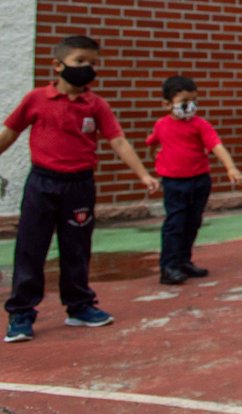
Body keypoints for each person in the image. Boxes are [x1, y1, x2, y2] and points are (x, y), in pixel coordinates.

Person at [0, 35, 159, 343]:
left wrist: (142, 175)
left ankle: (79, 306)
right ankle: (21, 313)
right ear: (58, 66)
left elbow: (118, 141)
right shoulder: (36, 99)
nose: (87, 69)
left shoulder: (96, 105)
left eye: (93, 64)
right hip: (42, 184)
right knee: (31, 248)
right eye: (80, 62)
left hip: (79, 186)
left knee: (76, 248)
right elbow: (10, 132)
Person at [149, 75, 242, 285]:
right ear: (167, 104)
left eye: (194, 102)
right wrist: (155, 158)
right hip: (174, 183)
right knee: (175, 224)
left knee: (192, 222)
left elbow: (216, 145)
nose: (190, 107)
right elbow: (152, 143)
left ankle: (184, 261)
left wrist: (231, 167)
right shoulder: (161, 125)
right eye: (184, 103)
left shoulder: (200, 125)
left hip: (199, 180)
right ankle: (169, 266)